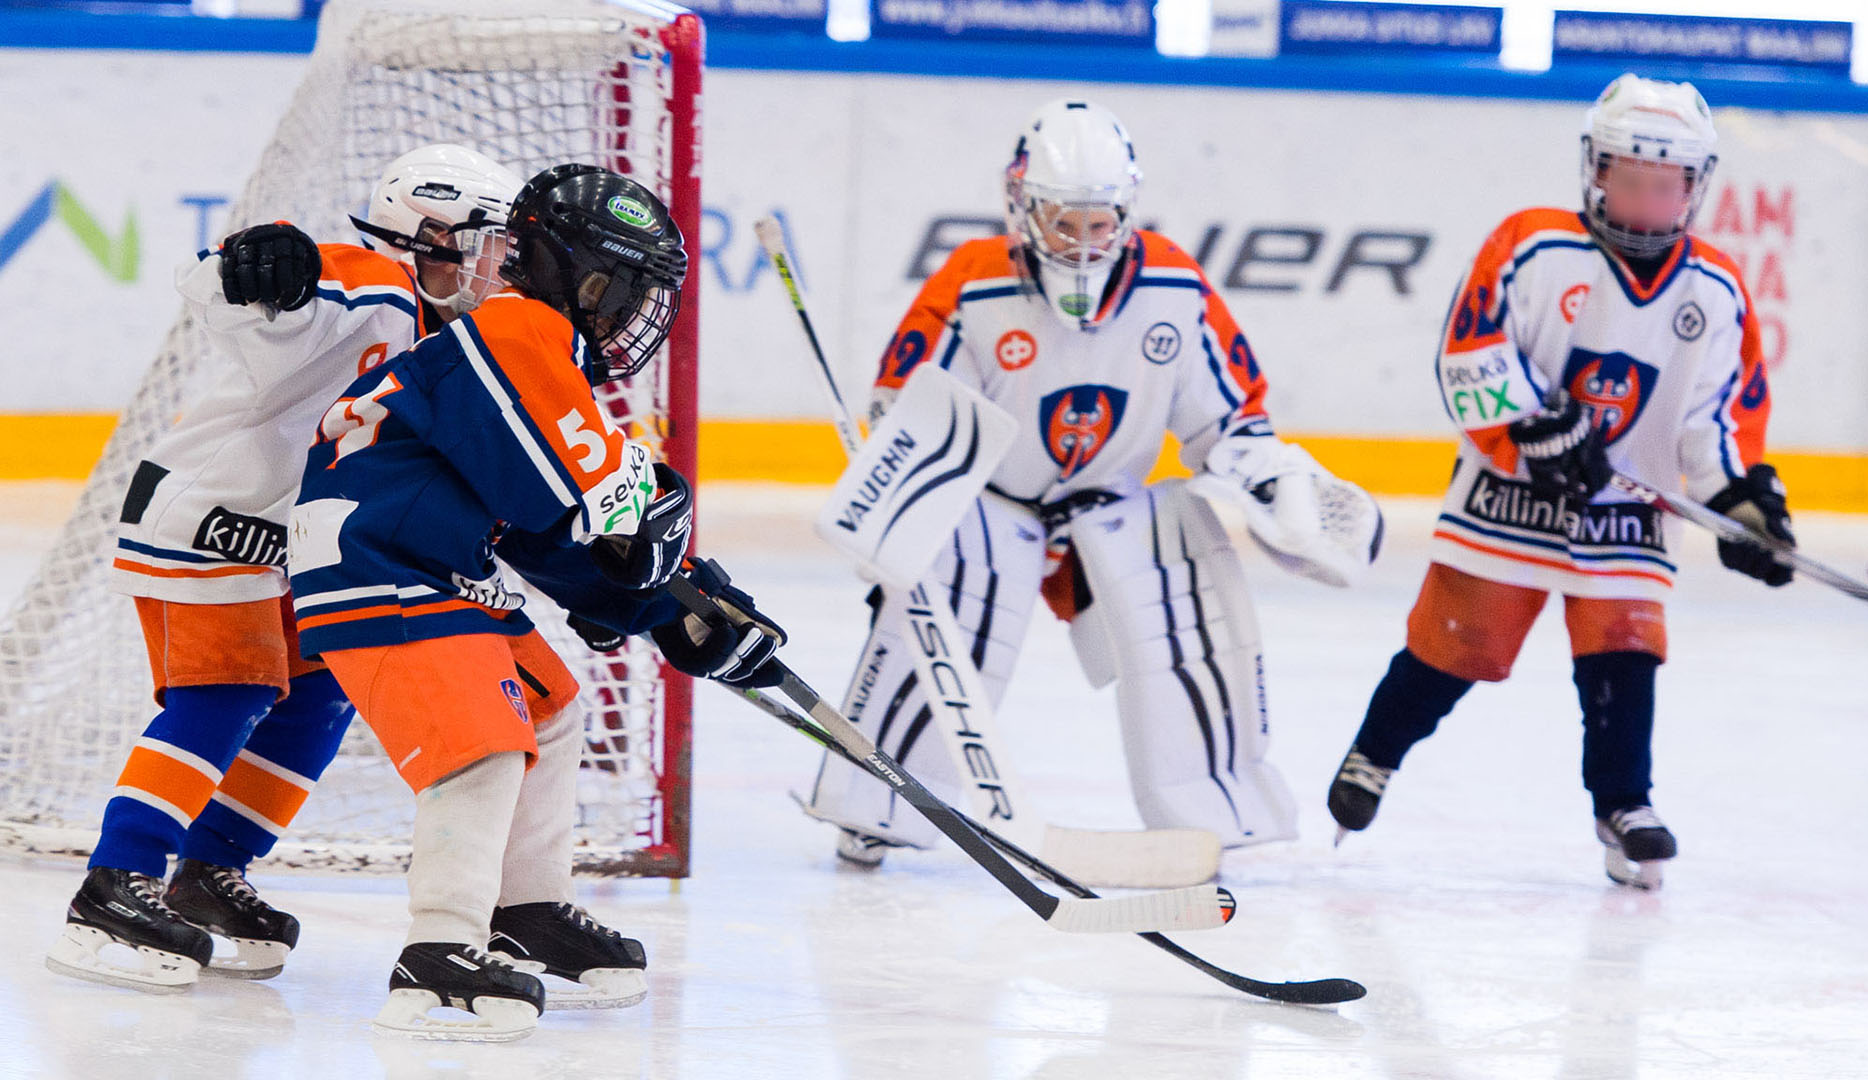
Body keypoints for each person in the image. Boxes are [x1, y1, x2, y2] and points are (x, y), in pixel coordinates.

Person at [288, 163, 784, 1040]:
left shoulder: (522, 354)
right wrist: (665, 564)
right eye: (631, 290)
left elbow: (543, 527)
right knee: (483, 746)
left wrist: (666, 608)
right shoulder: (515, 328)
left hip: (431, 560)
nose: (639, 315)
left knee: (550, 712)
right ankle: (437, 952)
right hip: (381, 561)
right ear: (586, 277)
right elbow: (588, 495)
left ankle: (525, 912)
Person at [50, 145, 522, 993]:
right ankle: (117, 879)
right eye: (486, 243)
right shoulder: (372, 282)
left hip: (293, 545)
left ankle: (208, 868)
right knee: (227, 691)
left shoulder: (451, 337)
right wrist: (263, 262)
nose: (498, 266)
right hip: (210, 518)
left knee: (320, 693)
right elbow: (232, 287)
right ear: (433, 237)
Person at [803, 99, 1319, 866]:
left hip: (1112, 513)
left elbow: (1229, 418)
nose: (1082, 242)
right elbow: (913, 412)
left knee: (1188, 585)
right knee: (940, 607)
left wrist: (1269, 479)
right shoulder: (973, 283)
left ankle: (1217, 806)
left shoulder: (1174, 286)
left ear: (1127, 211)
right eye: (1062, 221)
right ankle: (881, 803)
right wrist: (896, 499)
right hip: (994, 509)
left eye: (1099, 222)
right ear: (1023, 208)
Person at [1324, 74, 1791, 890]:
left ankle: (1624, 805)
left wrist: (1740, 498)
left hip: (1626, 510)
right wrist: (1536, 428)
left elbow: (1715, 415)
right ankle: (1376, 753)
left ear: (1693, 187)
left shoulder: (1713, 289)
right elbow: (1473, 350)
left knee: (1625, 653)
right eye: (1630, 176)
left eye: (1666, 182)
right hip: (1511, 495)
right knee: (1453, 651)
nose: (1647, 197)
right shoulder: (1534, 245)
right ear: (1597, 171)